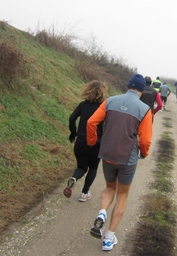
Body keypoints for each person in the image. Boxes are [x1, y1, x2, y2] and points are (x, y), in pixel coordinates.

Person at [87, 74, 153, 251]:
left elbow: (91, 122)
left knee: (110, 187)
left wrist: (93, 142)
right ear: (141, 90)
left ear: (128, 86)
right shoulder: (144, 109)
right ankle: (109, 238)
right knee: (122, 194)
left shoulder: (109, 101)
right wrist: (144, 153)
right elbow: (145, 140)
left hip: (107, 154)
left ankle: (102, 212)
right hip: (127, 159)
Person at [65, 80, 108, 201]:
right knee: (93, 168)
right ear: (102, 93)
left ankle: (74, 178)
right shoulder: (104, 107)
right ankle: (84, 193)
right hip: (96, 143)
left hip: (81, 142)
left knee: (81, 167)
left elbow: (72, 119)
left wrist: (73, 133)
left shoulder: (82, 105)